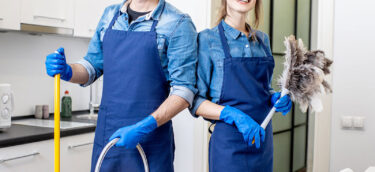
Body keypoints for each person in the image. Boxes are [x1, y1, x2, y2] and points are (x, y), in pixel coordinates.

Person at [45, 0, 197, 171]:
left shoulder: (177, 23)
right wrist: (68, 70)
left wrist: (144, 127)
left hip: (151, 140)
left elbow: (184, 91)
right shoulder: (110, 15)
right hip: (108, 137)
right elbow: (91, 66)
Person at [190, 0, 292, 171]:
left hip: (262, 141)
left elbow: (263, 88)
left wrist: (274, 97)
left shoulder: (262, 40)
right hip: (229, 147)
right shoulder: (208, 39)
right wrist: (232, 114)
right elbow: (195, 101)